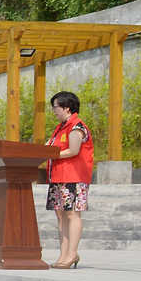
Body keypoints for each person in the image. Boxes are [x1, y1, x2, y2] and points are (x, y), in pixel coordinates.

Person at [46, 91, 94, 269]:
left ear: (67, 108)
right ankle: (64, 254)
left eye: (55, 107)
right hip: (58, 176)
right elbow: (49, 147)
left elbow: (73, 150)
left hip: (73, 176)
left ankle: (72, 253)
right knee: (61, 215)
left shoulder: (77, 127)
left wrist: (50, 154)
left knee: (72, 213)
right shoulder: (60, 128)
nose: (54, 111)